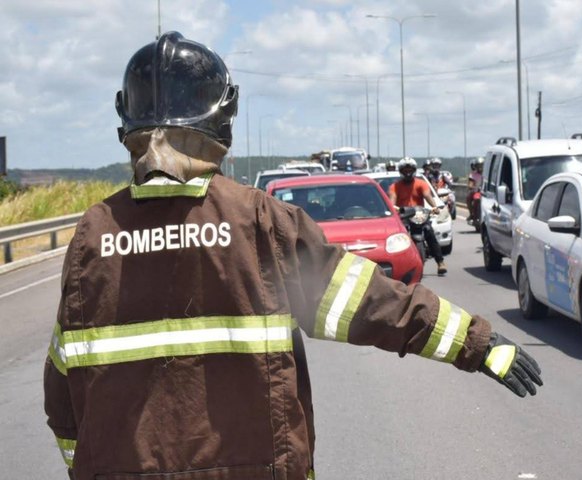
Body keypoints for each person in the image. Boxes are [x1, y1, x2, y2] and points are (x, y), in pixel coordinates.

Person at [43, 32, 543, 480]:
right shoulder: (259, 222)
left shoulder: (93, 237)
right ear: (222, 120)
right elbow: (370, 302)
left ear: (127, 123)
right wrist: (475, 344)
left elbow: (62, 393)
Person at [388, 157, 448, 275]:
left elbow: (428, 196)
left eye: (410, 170)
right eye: (405, 170)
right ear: (401, 171)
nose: (408, 172)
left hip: (419, 215)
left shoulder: (421, 184)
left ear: (414, 170)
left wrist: (434, 207)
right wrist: (392, 211)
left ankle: (440, 262)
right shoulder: (394, 187)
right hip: (403, 217)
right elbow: (392, 201)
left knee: (429, 232)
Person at [467, 156, 485, 223]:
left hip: (485, 192)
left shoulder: (487, 174)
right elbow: (470, 184)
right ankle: (472, 214)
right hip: (476, 191)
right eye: (478, 165)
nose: (480, 167)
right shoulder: (473, 175)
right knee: (470, 198)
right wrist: (471, 186)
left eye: (481, 165)